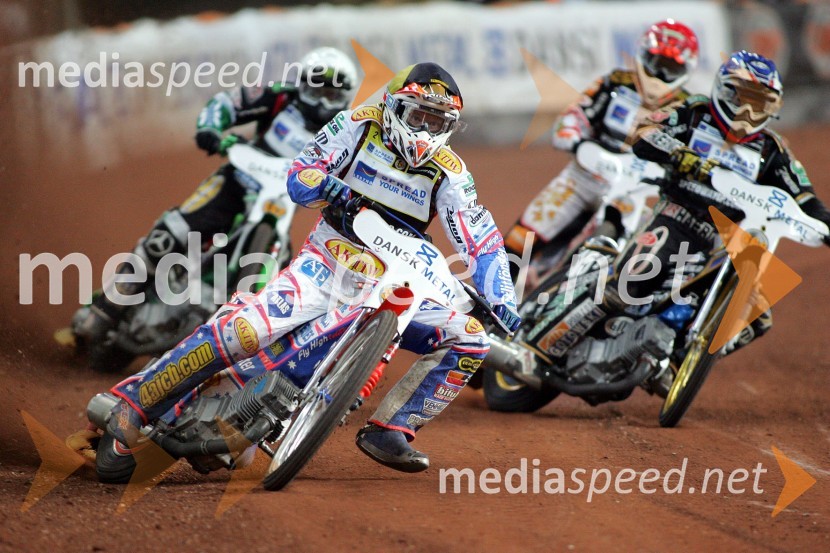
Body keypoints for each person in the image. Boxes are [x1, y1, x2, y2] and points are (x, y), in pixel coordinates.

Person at [103, 62, 521, 473]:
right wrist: (329, 187)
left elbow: (480, 240)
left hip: (398, 279)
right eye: (419, 116)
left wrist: (502, 300)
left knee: (471, 340)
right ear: (394, 107)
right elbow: (300, 174)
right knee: (241, 332)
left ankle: (391, 427)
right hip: (326, 265)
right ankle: (136, 403)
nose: (427, 131)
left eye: (438, 121)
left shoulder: (451, 173)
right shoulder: (356, 124)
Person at [72, 47, 358, 345]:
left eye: (333, 95)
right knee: (169, 235)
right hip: (236, 181)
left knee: (280, 274)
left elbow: (359, 172)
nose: (324, 101)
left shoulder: (347, 130)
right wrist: (211, 128)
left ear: (347, 97)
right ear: (301, 85)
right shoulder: (279, 97)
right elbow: (227, 102)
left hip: (281, 206)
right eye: (317, 91)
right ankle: (106, 310)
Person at [553, 51, 830, 358]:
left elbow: (806, 197)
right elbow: (646, 133)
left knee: (755, 317)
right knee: (631, 281)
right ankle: (552, 335)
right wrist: (677, 153)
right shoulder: (695, 111)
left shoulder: (772, 150)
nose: (750, 111)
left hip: (725, 242)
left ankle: (677, 361)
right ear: (726, 91)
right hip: (676, 216)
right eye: (745, 98)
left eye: (761, 103)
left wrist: (825, 224)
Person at [503, 19, 700, 287]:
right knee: (521, 237)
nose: (660, 76)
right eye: (656, 64)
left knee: (619, 261)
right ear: (642, 56)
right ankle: (489, 295)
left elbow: (691, 157)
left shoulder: (688, 111)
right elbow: (573, 116)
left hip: (635, 193)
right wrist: (574, 141)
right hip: (583, 176)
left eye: (671, 69)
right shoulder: (615, 83)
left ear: (685, 70)